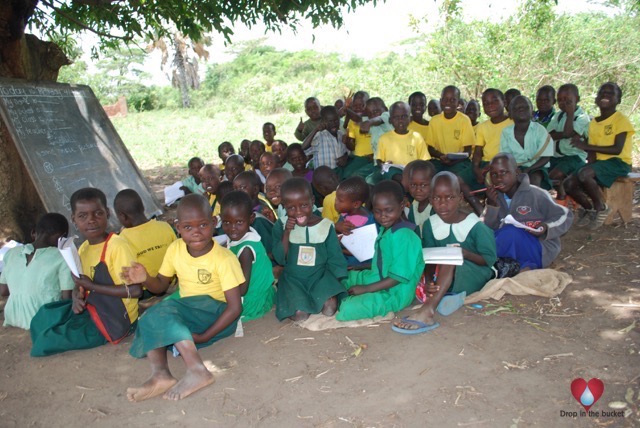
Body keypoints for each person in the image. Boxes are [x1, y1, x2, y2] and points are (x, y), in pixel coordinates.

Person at [122, 194, 243, 402]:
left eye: (203, 225)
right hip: (189, 311)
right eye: (188, 227)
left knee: (165, 311)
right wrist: (145, 278)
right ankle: (160, 375)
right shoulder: (175, 249)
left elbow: (234, 308)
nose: (196, 233)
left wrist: (205, 336)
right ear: (176, 227)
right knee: (151, 316)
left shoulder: (224, 259)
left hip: (216, 315)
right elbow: (160, 286)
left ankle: (197, 370)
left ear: (214, 223)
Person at [30, 188, 142, 357]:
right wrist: (76, 296)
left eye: (98, 213)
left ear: (108, 214)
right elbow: (80, 285)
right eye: (83, 216)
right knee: (45, 314)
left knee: (48, 340)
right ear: (73, 220)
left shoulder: (117, 246)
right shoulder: (82, 249)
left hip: (114, 318)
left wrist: (92, 286)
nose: (91, 220)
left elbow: (135, 291)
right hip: (93, 307)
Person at [392, 172, 496, 334]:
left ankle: (428, 310)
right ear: (431, 200)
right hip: (444, 276)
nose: (442, 204)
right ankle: (447, 296)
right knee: (416, 269)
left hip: (475, 272)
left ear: (460, 198)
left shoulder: (475, 226)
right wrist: (428, 281)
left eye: (449, 197)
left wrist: (465, 254)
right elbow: (429, 256)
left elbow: (489, 260)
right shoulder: (429, 224)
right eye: (437, 198)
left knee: (450, 256)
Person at [337, 180, 424, 322]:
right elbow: (384, 260)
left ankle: (345, 299)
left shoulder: (405, 236)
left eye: (388, 210)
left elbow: (397, 277)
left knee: (347, 310)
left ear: (402, 205)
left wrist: (366, 289)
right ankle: (341, 294)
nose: (382, 216)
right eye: (377, 211)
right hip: (377, 276)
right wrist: (361, 268)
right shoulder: (387, 228)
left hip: (394, 291)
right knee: (342, 276)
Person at [272, 178, 347, 321]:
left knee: (330, 308)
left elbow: (335, 257)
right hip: (294, 280)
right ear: (284, 206)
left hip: (319, 277)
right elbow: (280, 258)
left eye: (304, 205)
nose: (299, 212)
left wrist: (333, 285)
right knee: (301, 315)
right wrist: (287, 232)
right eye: (291, 208)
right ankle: (300, 301)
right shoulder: (280, 226)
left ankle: (316, 298)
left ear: (313, 201)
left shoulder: (325, 226)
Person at [564, 82, 635, 230]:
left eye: (610, 93)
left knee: (585, 174)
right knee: (569, 183)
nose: (605, 95)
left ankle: (601, 208)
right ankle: (589, 208)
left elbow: (617, 149)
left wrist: (586, 146)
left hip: (619, 162)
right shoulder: (593, 123)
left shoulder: (620, 120)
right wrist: (588, 158)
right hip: (601, 163)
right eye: (602, 93)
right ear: (596, 99)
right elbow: (593, 153)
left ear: (618, 100)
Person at [485, 153, 572, 270]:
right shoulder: (494, 198)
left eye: (504, 172)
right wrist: (492, 206)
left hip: (538, 249)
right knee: (490, 238)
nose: (499, 178)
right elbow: (488, 230)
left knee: (510, 232)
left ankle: (501, 267)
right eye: (494, 175)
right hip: (508, 249)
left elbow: (565, 215)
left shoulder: (536, 194)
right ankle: (514, 267)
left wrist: (545, 227)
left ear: (517, 172)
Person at [0, 213, 74, 330]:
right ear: (62, 237)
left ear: (33, 232)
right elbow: (66, 298)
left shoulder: (12, 253)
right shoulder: (62, 257)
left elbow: (3, 291)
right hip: (43, 318)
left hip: (12, 316)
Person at [221, 191, 275, 321]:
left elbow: (242, 289)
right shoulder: (246, 233)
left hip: (248, 302)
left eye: (239, 222)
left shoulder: (246, 249)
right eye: (227, 223)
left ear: (251, 219)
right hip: (258, 293)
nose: (233, 228)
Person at [114, 189, 177, 289]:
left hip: (147, 289)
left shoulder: (122, 239)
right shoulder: (165, 226)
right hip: (172, 281)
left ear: (122, 216)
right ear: (143, 207)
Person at [547, 84, 590, 204]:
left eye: (568, 100)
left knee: (555, 175)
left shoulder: (582, 117)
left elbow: (567, 132)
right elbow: (550, 135)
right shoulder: (558, 115)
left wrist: (570, 114)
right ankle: (564, 196)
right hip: (557, 156)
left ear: (577, 99)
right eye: (560, 100)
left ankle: (563, 197)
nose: (563, 103)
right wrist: (567, 134)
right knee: (544, 175)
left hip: (574, 157)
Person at [500, 95, 554, 189]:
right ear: (510, 114)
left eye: (525, 107)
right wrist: (514, 170)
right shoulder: (506, 132)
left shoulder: (540, 130)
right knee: (507, 183)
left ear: (532, 111)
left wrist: (529, 169)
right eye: (516, 108)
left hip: (537, 167)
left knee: (533, 180)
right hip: (515, 168)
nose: (521, 109)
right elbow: (505, 157)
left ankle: (532, 202)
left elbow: (546, 157)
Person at [372, 101, 430, 184]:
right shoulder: (384, 138)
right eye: (396, 117)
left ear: (410, 119)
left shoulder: (417, 137)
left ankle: (407, 187)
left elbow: (425, 160)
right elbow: (379, 160)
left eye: (404, 116)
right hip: (393, 173)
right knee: (390, 172)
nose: (400, 120)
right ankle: (405, 186)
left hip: (411, 172)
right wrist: (383, 165)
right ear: (390, 120)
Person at [426, 85, 476, 175]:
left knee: (456, 177)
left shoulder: (464, 120)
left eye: (453, 100)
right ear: (441, 101)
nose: (448, 103)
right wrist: (441, 156)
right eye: (445, 99)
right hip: (439, 160)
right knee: (430, 175)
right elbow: (430, 148)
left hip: (459, 161)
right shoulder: (434, 121)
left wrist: (453, 160)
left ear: (458, 103)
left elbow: (468, 150)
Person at [470, 88, 513, 187]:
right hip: (486, 163)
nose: (490, 105)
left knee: (493, 182)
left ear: (504, 102)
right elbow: (477, 151)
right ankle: (475, 201)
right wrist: (476, 169)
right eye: (486, 103)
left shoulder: (513, 122)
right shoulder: (482, 126)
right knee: (459, 179)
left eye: (495, 101)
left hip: (506, 164)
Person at [334, 176, 375, 266]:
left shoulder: (366, 223)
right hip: (345, 254)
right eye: (336, 198)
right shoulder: (346, 213)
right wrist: (336, 227)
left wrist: (337, 248)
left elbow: (362, 252)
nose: (335, 202)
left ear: (356, 204)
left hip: (357, 263)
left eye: (340, 200)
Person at [233, 171, 275, 255]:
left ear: (255, 189)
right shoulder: (243, 209)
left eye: (242, 187)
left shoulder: (262, 213)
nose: (237, 192)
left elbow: (268, 246)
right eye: (235, 188)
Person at [302, 106, 350, 175]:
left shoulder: (341, 134)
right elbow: (303, 147)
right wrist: (316, 129)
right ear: (323, 122)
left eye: (336, 120)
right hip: (322, 178)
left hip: (338, 176)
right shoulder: (319, 136)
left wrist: (345, 158)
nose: (334, 123)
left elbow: (347, 152)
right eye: (330, 121)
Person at [405, 160, 436, 235]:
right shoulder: (414, 205)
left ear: (433, 183)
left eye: (423, 185)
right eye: (413, 185)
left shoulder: (435, 207)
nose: (418, 190)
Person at [362, 97, 394, 161]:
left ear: (385, 109)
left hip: (391, 163)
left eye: (376, 111)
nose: (373, 115)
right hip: (378, 163)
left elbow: (379, 119)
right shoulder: (373, 126)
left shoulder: (388, 118)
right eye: (369, 114)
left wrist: (369, 122)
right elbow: (360, 119)